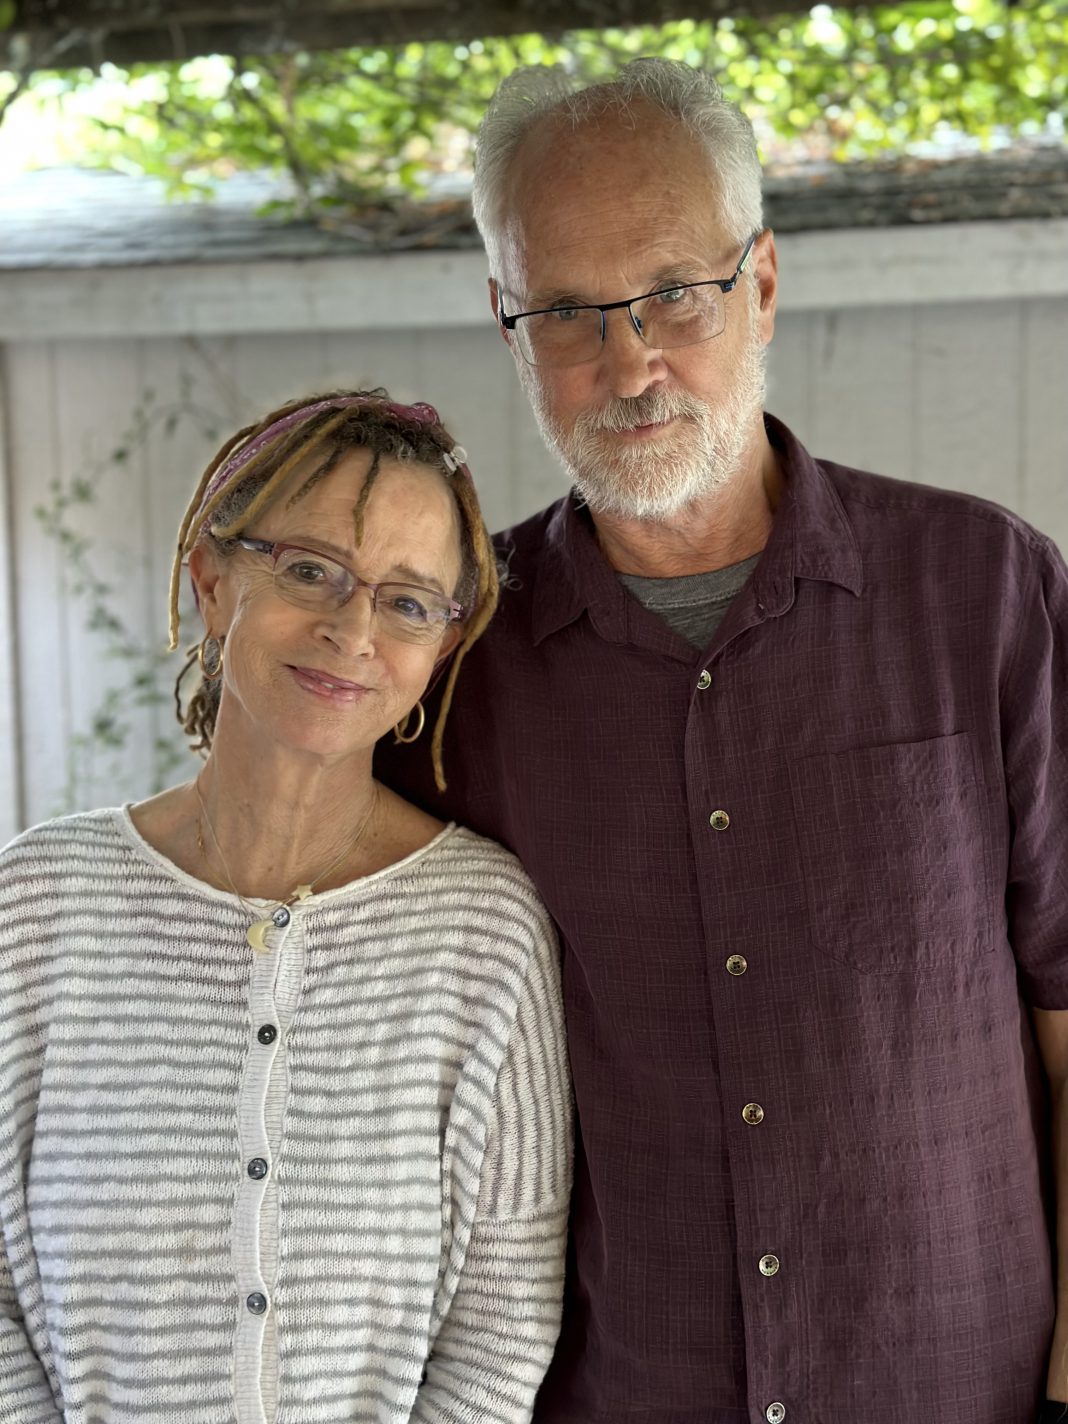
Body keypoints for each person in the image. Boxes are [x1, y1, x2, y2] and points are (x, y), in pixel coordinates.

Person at [376, 60, 1068, 1424]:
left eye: (672, 294)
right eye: (566, 309)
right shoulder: (453, 669)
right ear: (507, 323)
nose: (626, 361)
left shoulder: (987, 593)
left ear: (759, 286)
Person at [0, 390, 572, 1423]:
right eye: (310, 569)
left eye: (407, 601)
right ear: (214, 581)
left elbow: (503, 1314)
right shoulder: (37, 908)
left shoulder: (483, 930)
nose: (353, 628)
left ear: (442, 646)